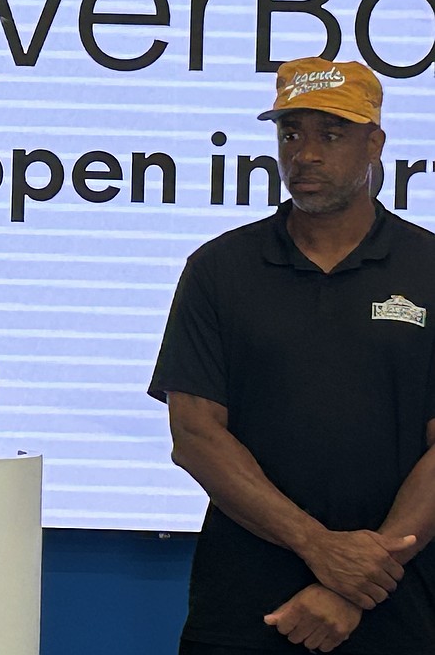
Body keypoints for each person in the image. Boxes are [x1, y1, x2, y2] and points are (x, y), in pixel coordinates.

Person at [149, 57, 435, 654]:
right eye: (291, 133)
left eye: (331, 134)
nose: (305, 154)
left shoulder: (428, 268)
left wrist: (355, 583)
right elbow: (196, 436)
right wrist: (320, 548)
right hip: (245, 601)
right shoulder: (219, 270)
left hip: (398, 597)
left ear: (375, 144)